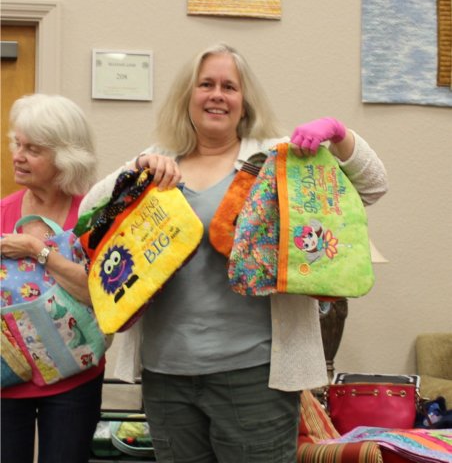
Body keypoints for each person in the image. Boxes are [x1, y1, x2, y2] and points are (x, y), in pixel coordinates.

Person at [80, 42, 388, 463]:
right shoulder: (156, 162)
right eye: (206, 84)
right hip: (166, 377)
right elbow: (88, 215)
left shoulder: (275, 160)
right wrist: (135, 174)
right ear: (188, 96)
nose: (217, 95)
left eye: (229, 86)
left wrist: (338, 133)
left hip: (254, 377)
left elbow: (373, 186)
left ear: (245, 101)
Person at [0, 94, 105, 463]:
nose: (18, 156)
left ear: (65, 156)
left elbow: (99, 295)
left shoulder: (91, 215)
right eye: (18, 144)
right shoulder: (3, 211)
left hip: (75, 377)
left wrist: (37, 249)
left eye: (33, 149)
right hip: (6, 378)